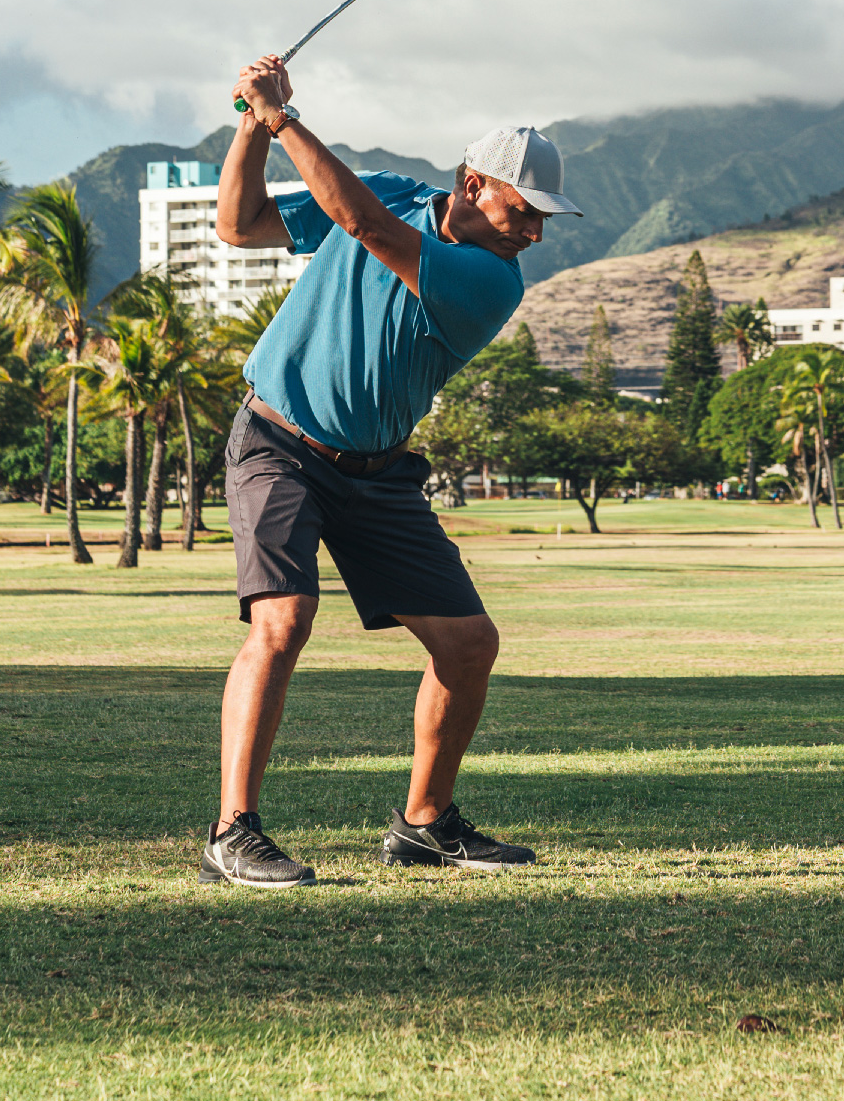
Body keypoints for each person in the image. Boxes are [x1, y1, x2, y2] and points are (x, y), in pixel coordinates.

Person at [199, 54, 581, 888]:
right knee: (284, 619)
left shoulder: (491, 281)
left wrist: (281, 117)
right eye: (526, 208)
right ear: (475, 182)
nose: (536, 231)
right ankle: (233, 831)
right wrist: (250, 121)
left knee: (468, 645)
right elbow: (240, 223)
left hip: (377, 474)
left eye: (548, 218)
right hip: (278, 440)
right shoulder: (391, 191)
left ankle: (425, 824)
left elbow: (366, 227)